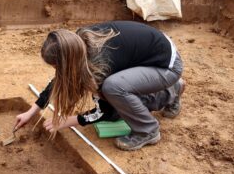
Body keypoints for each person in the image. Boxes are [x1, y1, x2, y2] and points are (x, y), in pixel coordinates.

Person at [14, 21, 185, 151]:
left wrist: (67, 121)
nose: (55, 70)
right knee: (117, 99)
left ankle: (148, 130)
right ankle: (172, 90)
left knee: (113, 89)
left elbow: (103, 111)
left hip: (166, 66)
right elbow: (60, 79)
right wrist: (31, 112)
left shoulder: (99, 66)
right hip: (151, 56)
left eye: (56, 66)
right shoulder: (77, 44)